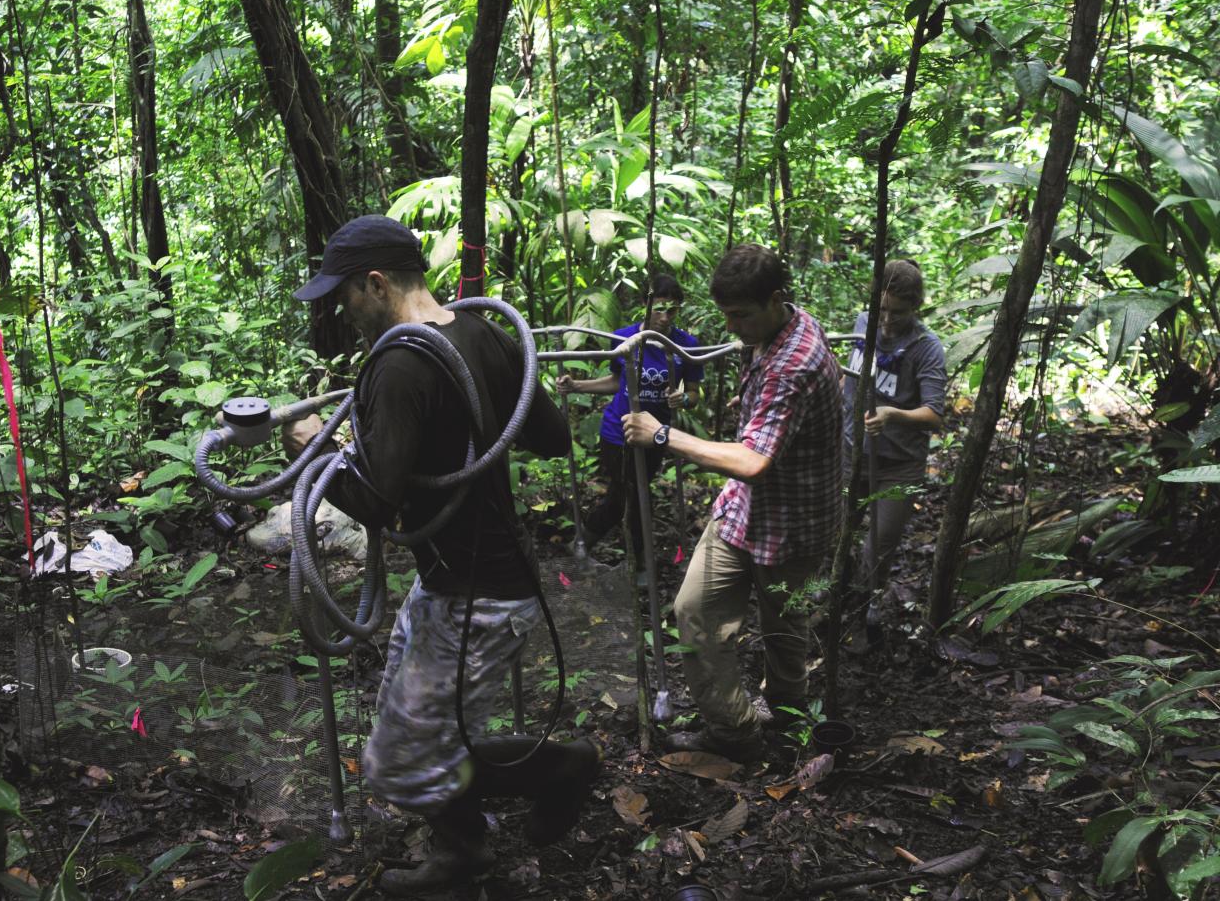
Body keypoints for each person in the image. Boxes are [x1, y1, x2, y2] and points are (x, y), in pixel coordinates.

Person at [280, 215, 601, 896]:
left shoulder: (400, 364)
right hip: (467, 578)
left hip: (475, 596)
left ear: (376, 283)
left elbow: (372, 500)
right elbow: (547, 435)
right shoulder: (479, 333)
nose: (343, 311)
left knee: (400, 765)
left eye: (347, 295)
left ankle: (544, 784)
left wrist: (311, 443)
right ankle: (464, 843)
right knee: (409, 743)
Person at [621, 244, 842, 760]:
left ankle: (787, 726)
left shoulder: (796, 362)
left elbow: (752, 462)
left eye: (741, 315)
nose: (734, 326)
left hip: (795, 522)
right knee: (694, 610)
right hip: (744, 512)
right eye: (727, 316)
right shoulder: (780, 327)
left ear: (776, 300)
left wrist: (660, 435)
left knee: (784, 629)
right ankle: (735, 733)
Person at [555, 274, 703, 561]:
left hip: (655, 435)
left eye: (671, 310)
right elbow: (616, 380)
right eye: (658, 308)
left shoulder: (686, 344)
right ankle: (624, 559)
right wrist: (577, 386)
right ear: (645, 305)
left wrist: (683, 398)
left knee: (635, 495)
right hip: (618, 431)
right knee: (629, 496)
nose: (664, 316)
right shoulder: (624, 338)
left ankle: (593, 548)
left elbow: (694, 393)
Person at [843, 259, 945, 617]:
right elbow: (849, 379)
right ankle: (839, 594)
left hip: (898, 464)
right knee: (840, 531)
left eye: (897, 313)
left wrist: (892, 414)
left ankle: (867, 608)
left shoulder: (926, 347)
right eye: (881, 309)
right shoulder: (862, 323)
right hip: (851, 450)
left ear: (915, 307)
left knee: (878, 545)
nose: (886, 321)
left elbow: (934, 414)